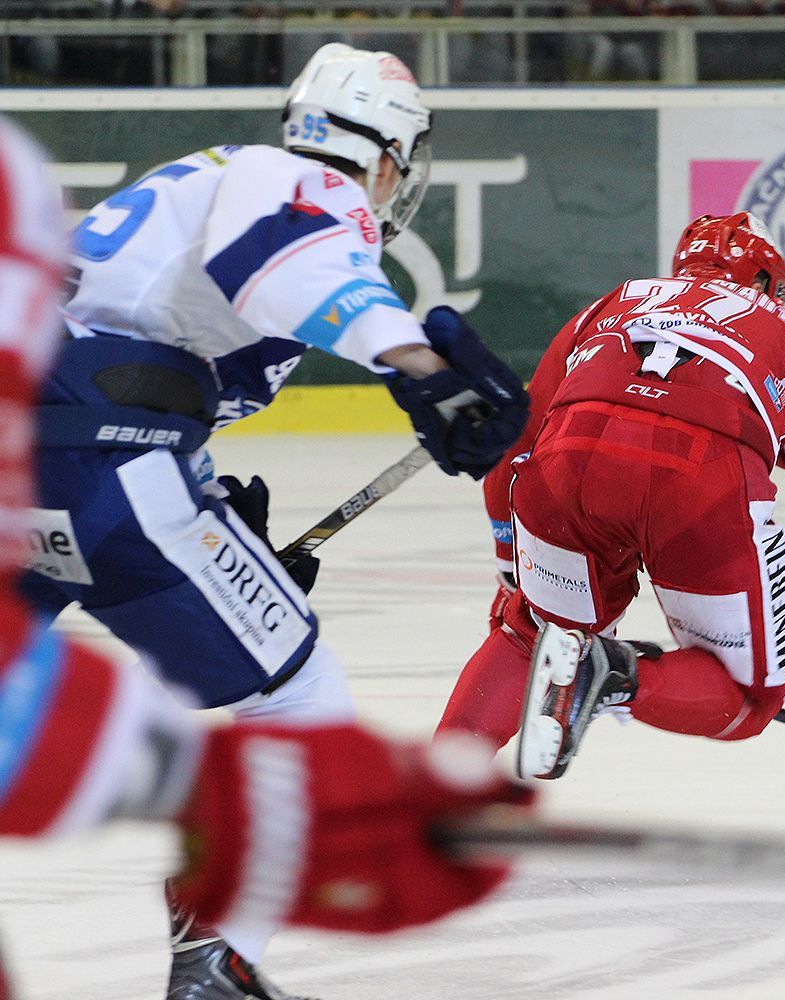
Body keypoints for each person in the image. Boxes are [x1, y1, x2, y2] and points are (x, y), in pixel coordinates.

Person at [18, 42, 527, 999]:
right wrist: (421, 372)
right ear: (383, 154)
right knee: (297, 697)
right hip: (105, 453)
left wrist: (214, 514)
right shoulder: (290, 183)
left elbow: (155, 349)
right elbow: (270, 266)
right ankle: (218, 959)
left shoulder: (209, 184)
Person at [436, 212, 785, 781]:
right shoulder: (782, 330)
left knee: (528, 638)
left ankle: (430, 787)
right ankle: (615, 674)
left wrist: (514, 573)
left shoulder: (617, 301)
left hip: (566, 466)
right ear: (765, 285)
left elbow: (517, 444)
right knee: (746, 699)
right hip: (696, 480)